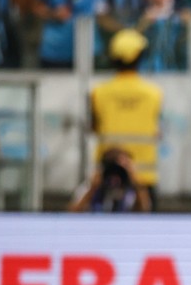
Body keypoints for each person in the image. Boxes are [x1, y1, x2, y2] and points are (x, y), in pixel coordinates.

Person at [90, 29, 163, 208]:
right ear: (140, 57)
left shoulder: (98, 92)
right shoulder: (154, 93)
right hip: (143, 175)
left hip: (107, 174)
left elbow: (94, 126)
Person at [67, 147, 151, 213]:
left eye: (123, 168)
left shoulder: (131, 190)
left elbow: (144, 211)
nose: (117, 173)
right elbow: (72, 213)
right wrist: (92, 189)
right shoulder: (90, 185)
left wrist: (137, 184)